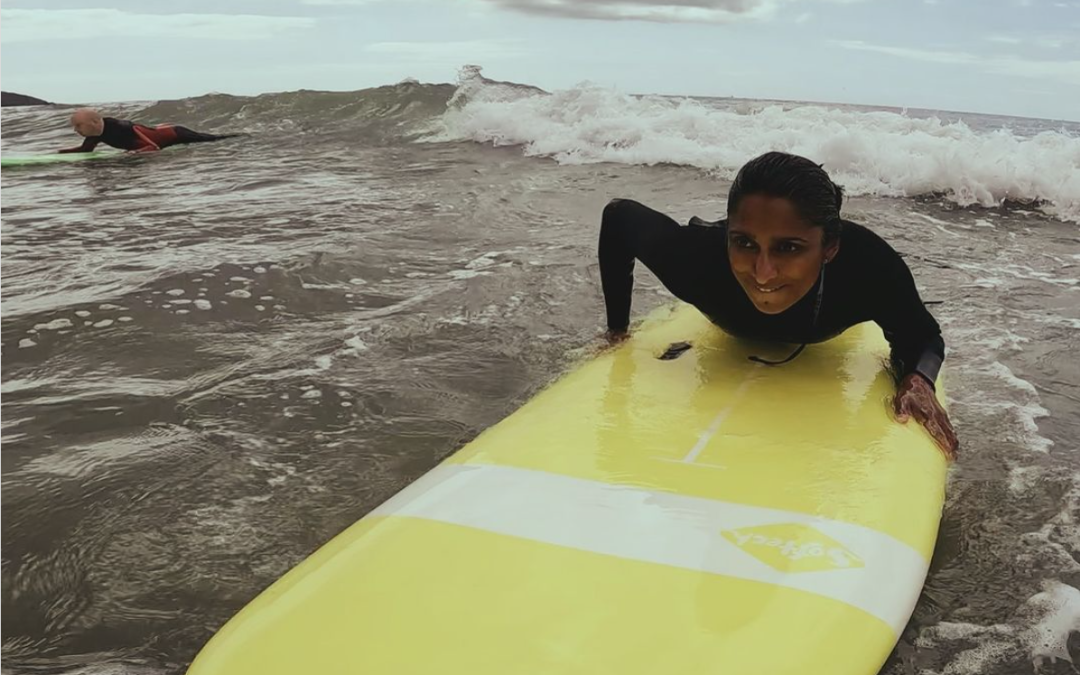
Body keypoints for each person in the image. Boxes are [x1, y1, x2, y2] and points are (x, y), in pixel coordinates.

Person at [598, 151, 959, 459]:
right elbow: (619, 217)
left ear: (830, 247)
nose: (763, 272)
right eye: (745, 243)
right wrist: (617, 332)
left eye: (789, 248)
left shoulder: (866, 267)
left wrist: (917, 379)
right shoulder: (699, 260)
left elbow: (924, 336)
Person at [58, 108, 242, 154]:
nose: (76, 130)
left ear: (94, 122)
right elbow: (85, 151)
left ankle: (240, 136)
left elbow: (153, 146)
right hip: (163, 132)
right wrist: (59, 154)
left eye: (79, 126)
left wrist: (134, 153)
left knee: (213, 139)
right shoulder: (95, 134)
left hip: (175, 134)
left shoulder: (121, 127)